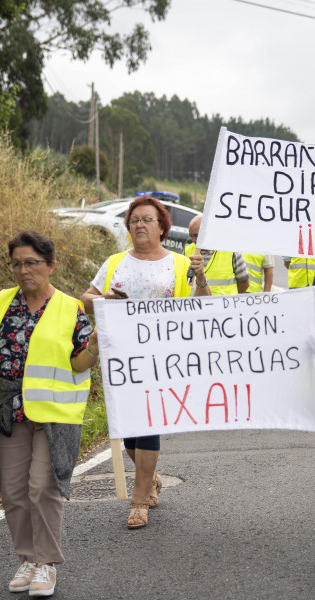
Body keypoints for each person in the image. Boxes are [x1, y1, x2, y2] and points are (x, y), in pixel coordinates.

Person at [0, 231, 97, 597]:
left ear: (50, 266)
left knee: (42, 487)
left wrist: (96, 345)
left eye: (32, 262)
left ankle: (46, 564)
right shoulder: (0, 302)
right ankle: (28, 558)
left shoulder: (70, 307)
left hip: (54, 413)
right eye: (17, 262)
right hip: (7, 408)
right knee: (13, 491)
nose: (23, 269)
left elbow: (79, 364)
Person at [82, 196, 210, 528]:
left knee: (148, 422)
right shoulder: (114, 262)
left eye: (147, 219)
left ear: (162, 228)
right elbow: (86, 300)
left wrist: (202, 279)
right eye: (134, 220)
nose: (139, 224)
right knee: (128, 433)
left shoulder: (180, 264)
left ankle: (139, 501)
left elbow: (202, 309)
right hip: (120, 359)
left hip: (161, 359)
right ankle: (150, 477)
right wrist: (104, 300)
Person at [184, 214, 249, 295]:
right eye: (191, 236)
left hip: (224, 306)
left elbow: (244, 283)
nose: (193, 240)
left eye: (196, 235)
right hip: (198, 305)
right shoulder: (187, 250)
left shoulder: (231, 250)